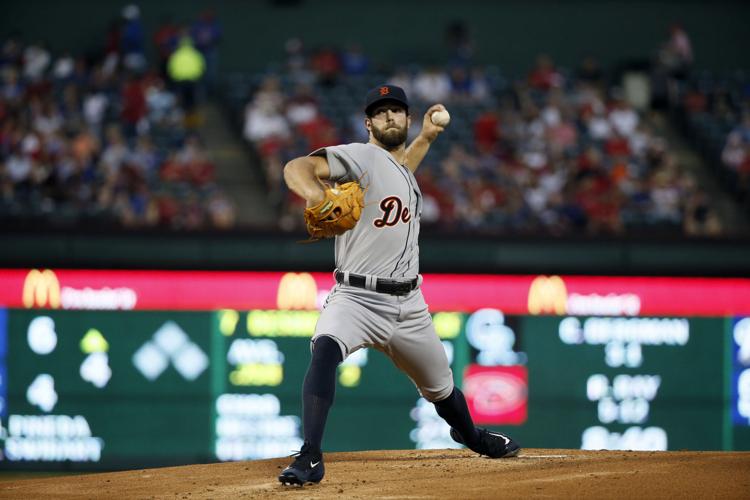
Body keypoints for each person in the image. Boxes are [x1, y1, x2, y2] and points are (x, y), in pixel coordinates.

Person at [279, 85, 520, 486]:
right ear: (368, 123)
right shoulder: (361, 155)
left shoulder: (399, 169)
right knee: (324, 351)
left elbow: (403, 166)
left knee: (442, 390)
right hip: (355, 297)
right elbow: (295, 168)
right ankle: (310, 456)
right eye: (381, 112)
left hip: (409, 304)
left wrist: (426, 137)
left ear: (406, 119)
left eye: (397, 111)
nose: (390, 117)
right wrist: (317, 195)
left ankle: (472, 437)